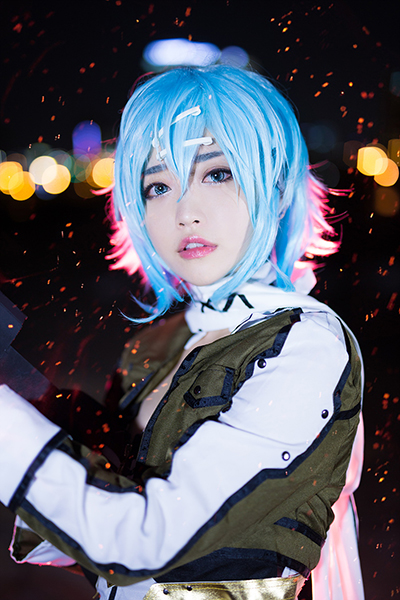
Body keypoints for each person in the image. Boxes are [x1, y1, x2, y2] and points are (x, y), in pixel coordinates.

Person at [0, 65, 364, 600]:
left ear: (279, 186)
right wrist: (45, 415)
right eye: (158, 186)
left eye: (217, 174)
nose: (185, 211)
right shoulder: (156, 345)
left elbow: (144, 540)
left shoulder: (308, 347)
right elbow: (89, 540)